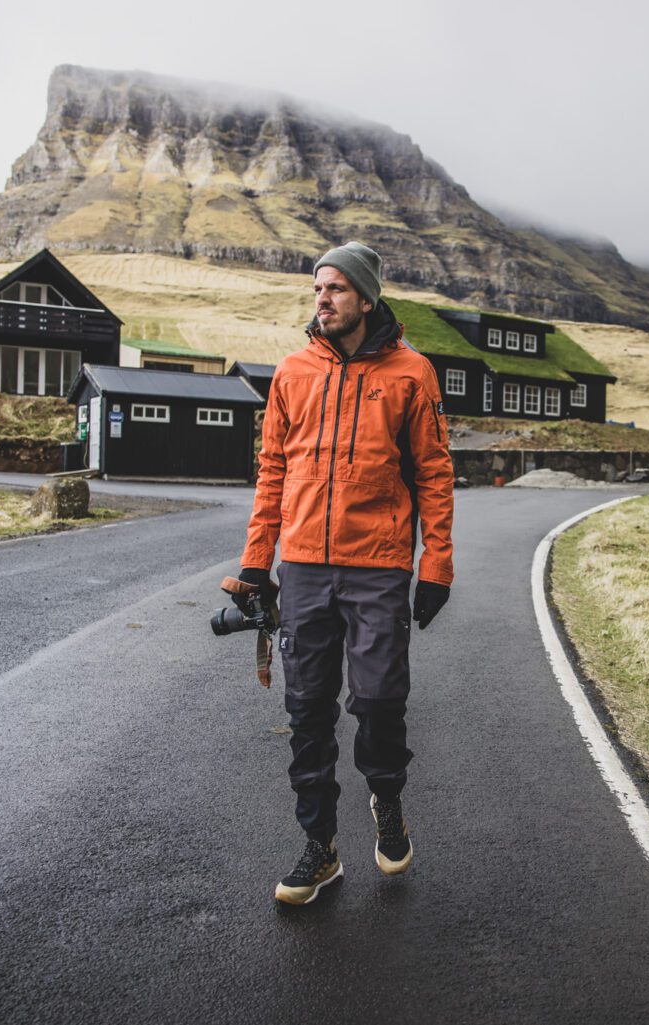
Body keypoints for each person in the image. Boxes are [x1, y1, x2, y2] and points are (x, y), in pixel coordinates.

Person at [235, 241, 455, 906]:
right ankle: (320, 847)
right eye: (316, 290)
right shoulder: (293, 372)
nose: (321, 299)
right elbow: (272, 470)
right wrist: (255, 560)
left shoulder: (412, 373)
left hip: (378, 566)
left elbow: (435, 475)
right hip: (302, 567)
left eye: (333, 289)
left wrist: (436, 563)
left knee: (380, 698)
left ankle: (385, 798)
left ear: (365, 296)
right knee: (306, 711)